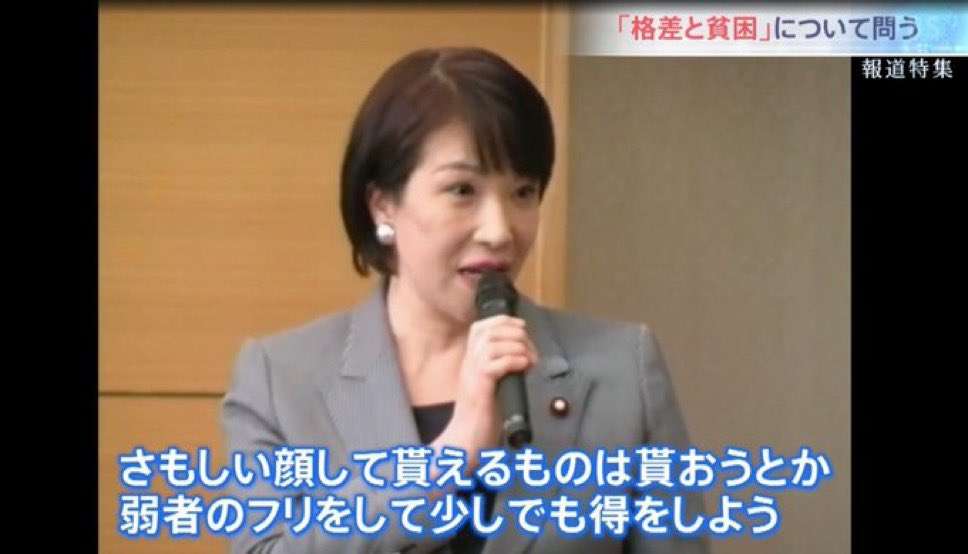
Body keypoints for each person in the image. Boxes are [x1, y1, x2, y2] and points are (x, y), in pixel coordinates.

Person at [222, 46, 708, 554]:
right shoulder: (280, 379)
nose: (500, 231)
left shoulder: (623, 369)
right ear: (383, 204)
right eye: (462, 190)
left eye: (523, 192)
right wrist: (448, 461)